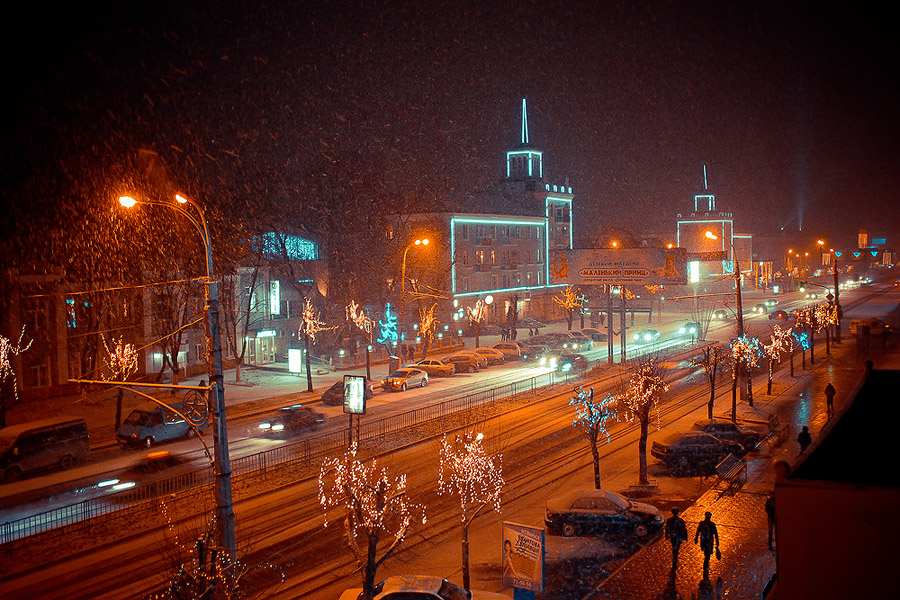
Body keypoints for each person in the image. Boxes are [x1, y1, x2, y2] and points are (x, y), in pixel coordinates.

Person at [694, 511, 720, 580]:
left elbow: (698, 531)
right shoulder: (712, 525)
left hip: (703, 541)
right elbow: (716, 534)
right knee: (708, 554)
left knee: (707, 553)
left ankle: (706, 564)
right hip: (709, 541)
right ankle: (706, 564)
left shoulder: (702, 524)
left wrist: (696, 538)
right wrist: (717, 542)